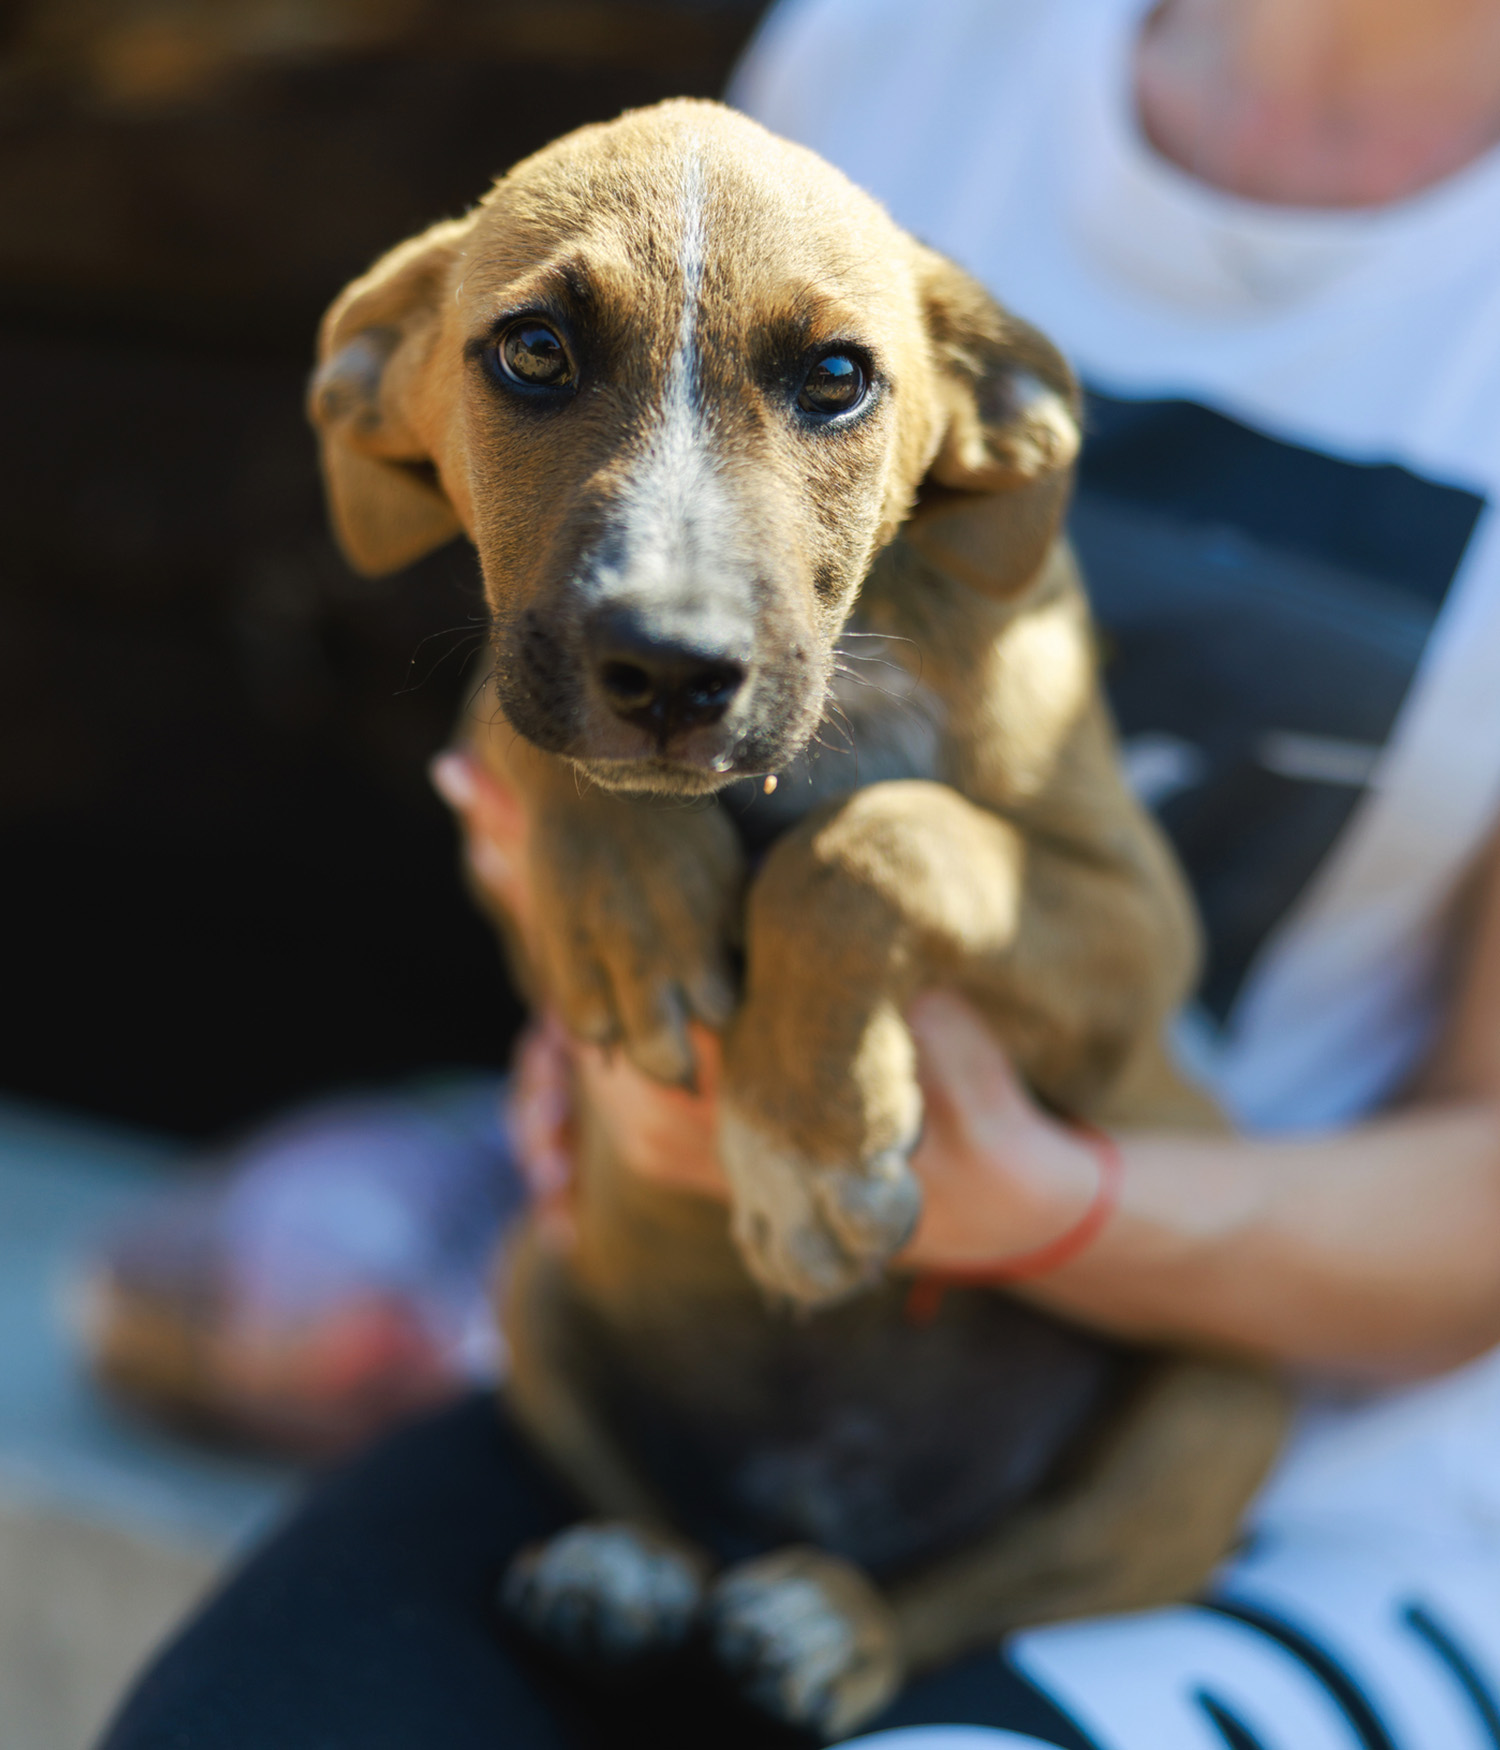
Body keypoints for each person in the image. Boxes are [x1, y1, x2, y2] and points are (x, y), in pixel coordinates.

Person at [99, 0, 1500, 1744]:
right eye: (535, 356)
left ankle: (904, 1613)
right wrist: (584, 863)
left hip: (1275, 1467)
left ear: (997, 438)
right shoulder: (906, 45)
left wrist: (1031, 1202)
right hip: (674, 1378)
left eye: (830, 383)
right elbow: (603, 555)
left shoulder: (1008, 608)